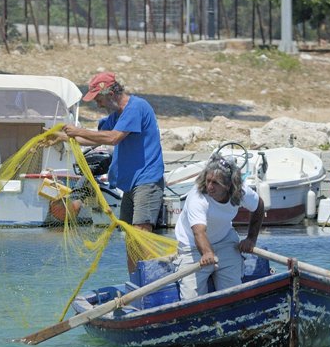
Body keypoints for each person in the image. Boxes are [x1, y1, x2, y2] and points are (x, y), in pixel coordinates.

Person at [59, 72, 165, 272]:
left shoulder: (136, 107)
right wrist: (63, 137)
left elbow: (113, 138)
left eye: (98, 99)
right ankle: (135, 280)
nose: (97, 104)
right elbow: (95, 138)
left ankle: (153, 280)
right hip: (130, 184)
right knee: (130, 236)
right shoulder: (116, 115)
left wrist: (77, 131)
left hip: (147, 180)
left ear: (110, 94)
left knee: (141, 234)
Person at [174, 155, 265, 300]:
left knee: (232, 293)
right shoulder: (197, 197)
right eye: (208, 180)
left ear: (228, 186)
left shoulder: (240, 191)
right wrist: (207, 253)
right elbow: (199, 232)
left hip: (224, 241)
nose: (209, 186)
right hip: (192, 247)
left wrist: (251, 239)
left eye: (215, 183)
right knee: (191, 299)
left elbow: (259, 206)